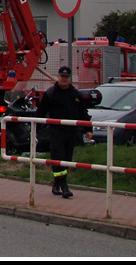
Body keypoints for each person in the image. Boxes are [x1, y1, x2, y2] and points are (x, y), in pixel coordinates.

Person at [36, 65, 91, 199]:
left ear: (70, 78)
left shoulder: (76, 94)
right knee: (57, 158)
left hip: (71, 132)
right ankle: (64, 186)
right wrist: (36, 129)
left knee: (67, 159)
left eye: (66, 77)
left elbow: (83, 113)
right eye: (62, 77)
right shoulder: (51, 93)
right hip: (56, 131)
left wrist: (88, 130)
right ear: (58, 77)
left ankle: (56, 183)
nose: (64, 79)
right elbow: (41, 112)